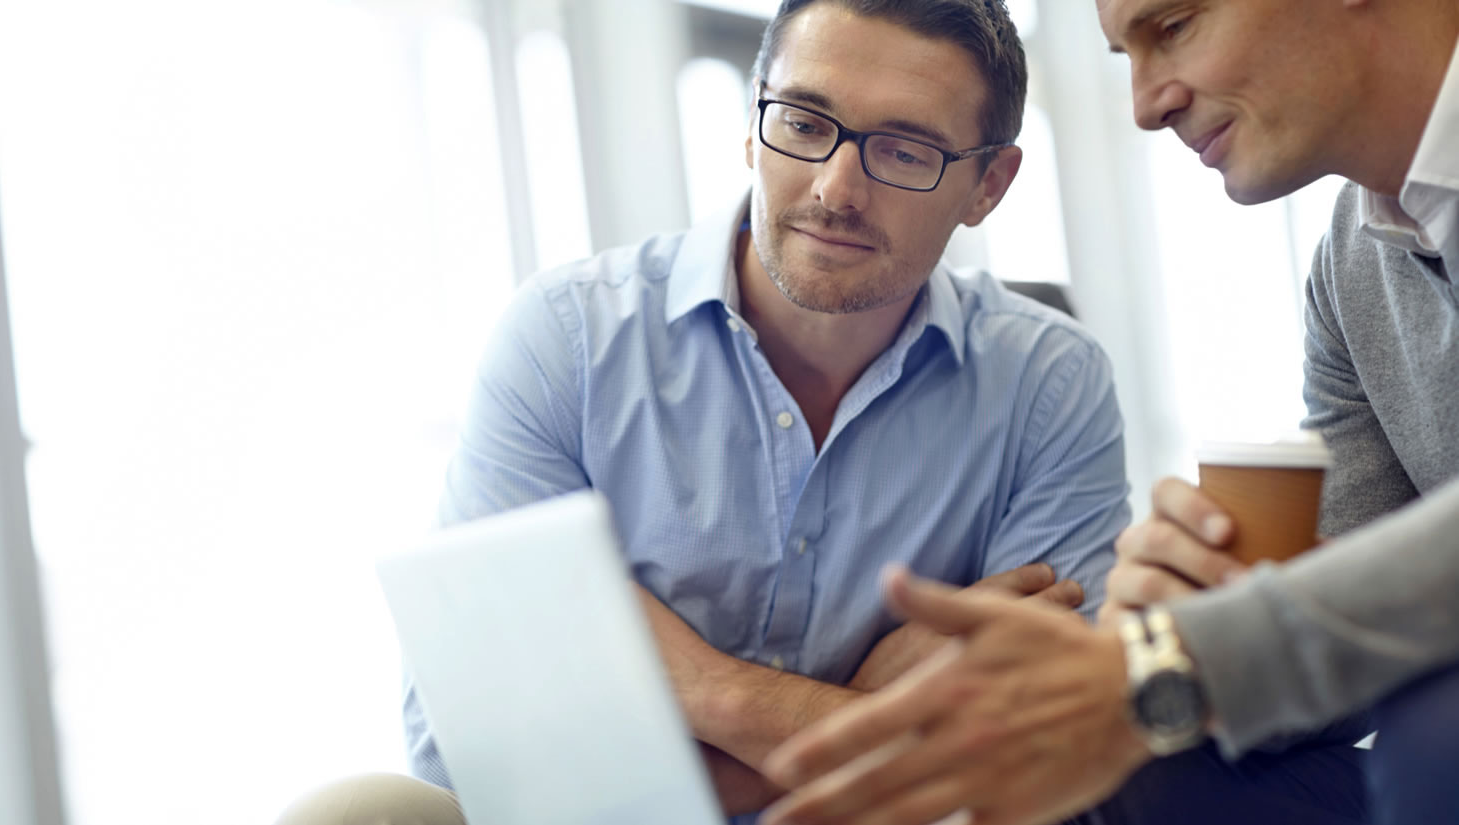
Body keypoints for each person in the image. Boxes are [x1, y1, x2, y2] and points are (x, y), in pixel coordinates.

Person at [274, 2, 1133, 824]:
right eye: (802, 122)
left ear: (989, 183)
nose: (836, 189)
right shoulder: (568, 339)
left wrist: (682, 681)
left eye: (904, 150)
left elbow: (1040, 741)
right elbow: (467, 757)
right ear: (751, 122)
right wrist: (866, 713)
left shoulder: (1050, 385)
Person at [758, 1, 1459, 824]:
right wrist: (1185, 609)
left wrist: (1185, 655)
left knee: (1433, 736)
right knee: (1101, 775)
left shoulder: (1047, 371)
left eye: (1174, 26)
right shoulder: (1352, 263)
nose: (1144, 105)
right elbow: (1341, 660)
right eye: (1124, 52)